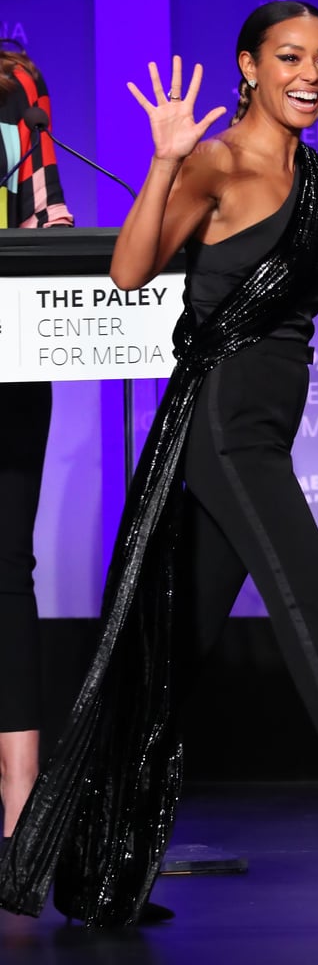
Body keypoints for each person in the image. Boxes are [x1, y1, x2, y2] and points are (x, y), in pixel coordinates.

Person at [0, 2, 318, 928]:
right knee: (317, 612)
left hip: (263, 432)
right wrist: (161, 162)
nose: (310, 74)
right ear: (250, 66)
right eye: (288, 58)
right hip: (220, 428)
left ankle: (94, 868)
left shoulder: (312, 176)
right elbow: (127, 272)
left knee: (164, 655)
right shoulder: (215, 164)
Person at [0, 44, 73, 858]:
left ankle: (21, 796)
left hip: (8, 347)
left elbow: (41, 198)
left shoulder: (17, 81)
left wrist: (48, 221)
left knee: (4, 567)